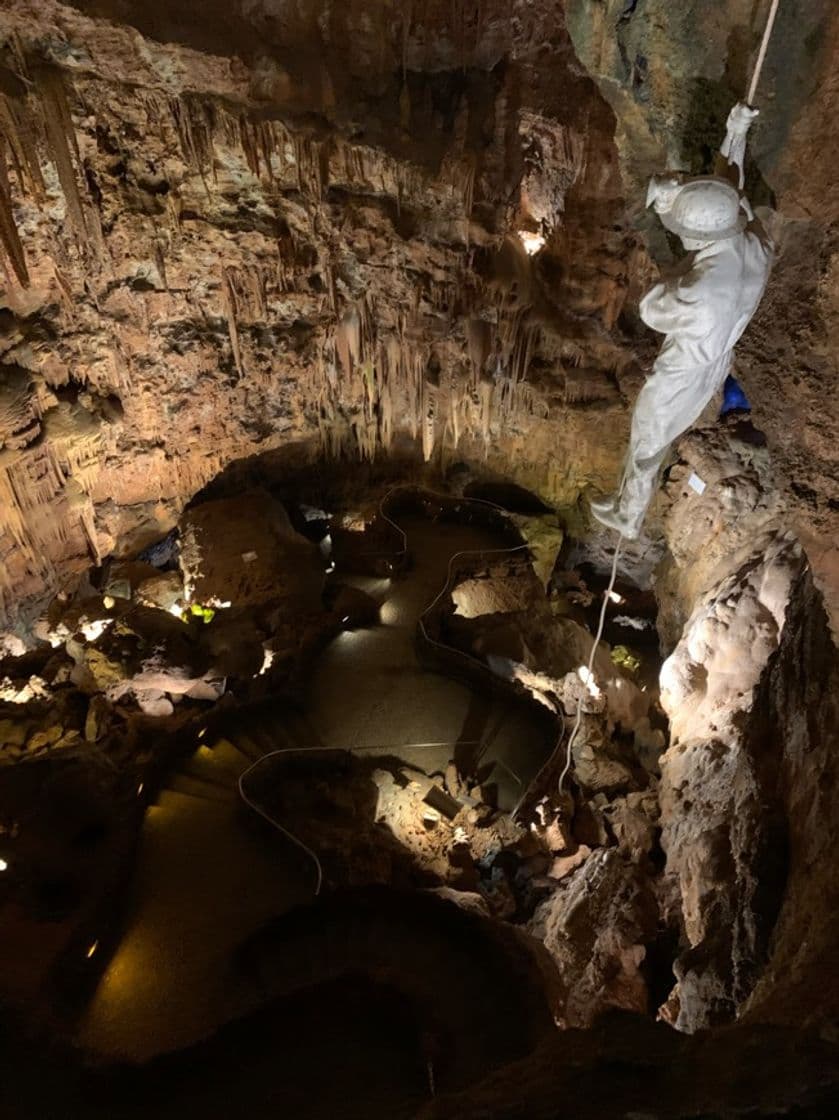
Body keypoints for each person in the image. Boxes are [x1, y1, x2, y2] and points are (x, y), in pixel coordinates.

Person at [590, 103, 774, 539]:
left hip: (685, 369)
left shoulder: (702, 290)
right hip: (716, 360)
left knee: (648, 434)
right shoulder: (753, 247)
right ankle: (625, 503)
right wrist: (736, 131)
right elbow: (730, 188)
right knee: (653, 434)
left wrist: (664, 279)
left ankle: (629, 515)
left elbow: (653, 310)